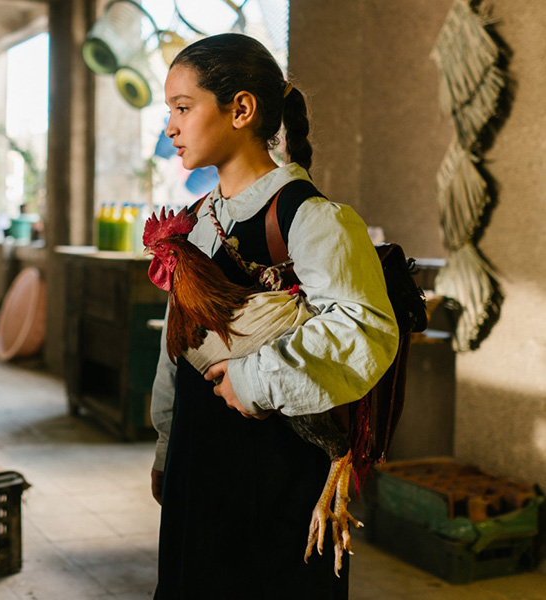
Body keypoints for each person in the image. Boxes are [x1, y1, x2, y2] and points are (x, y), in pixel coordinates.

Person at [149, 34, 399, 598]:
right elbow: (178, 345)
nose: (171, 127)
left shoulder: (311, 219)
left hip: (277, 469)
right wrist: (168, 446)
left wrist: (253, 378)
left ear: (241, 109)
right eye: (170, 111)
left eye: (183, 108)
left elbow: (364, 329)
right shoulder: (194, 223)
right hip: (200, 458)